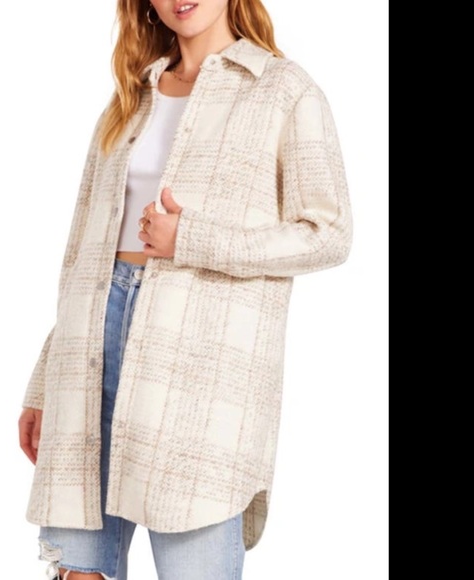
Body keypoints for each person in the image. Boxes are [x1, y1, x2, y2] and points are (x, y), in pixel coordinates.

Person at [18, 1, 353, 578]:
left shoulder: (283, 90)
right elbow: (82, 259)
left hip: (197, 363)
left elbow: (329, 233)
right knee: (78, 569)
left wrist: (190, 238)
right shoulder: (131, 97)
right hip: (90, 349)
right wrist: (45, 379)